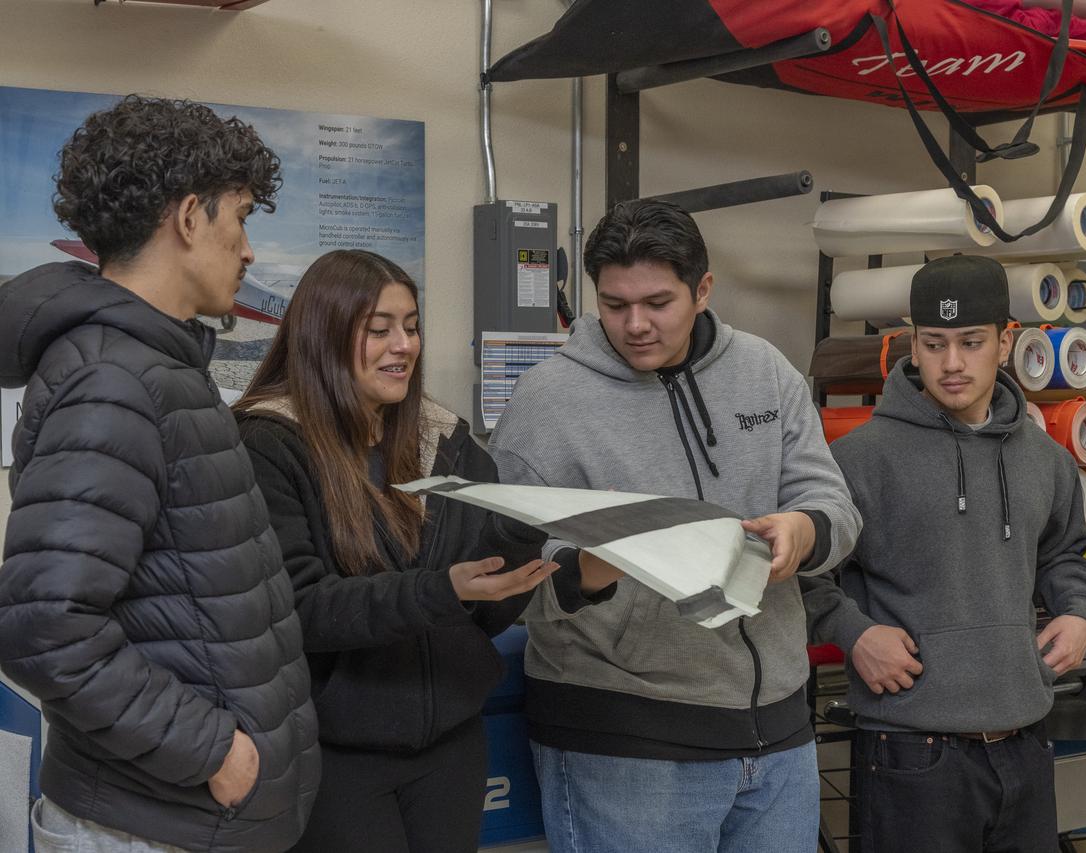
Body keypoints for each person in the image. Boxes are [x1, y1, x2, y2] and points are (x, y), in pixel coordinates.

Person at [487, 199, 860, 853]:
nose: (634, 324)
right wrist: (593, 565)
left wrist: (804, 530)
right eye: (614, 304)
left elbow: (833, 502)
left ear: (703, 290)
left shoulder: (766, 372)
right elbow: (506, 570)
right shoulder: (546, 401)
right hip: (625, 744)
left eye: (657, 303)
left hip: (777, 736)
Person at [0, 95, 319, 852]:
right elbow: (45, 625)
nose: (247, 251)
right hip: (149, 825)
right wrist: (209, 747)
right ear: (187, 218)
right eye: (239, 219)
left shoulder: (154, 366)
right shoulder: (115, 379)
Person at [233, 249, 557, 852]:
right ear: (323, 336)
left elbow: (482, 616)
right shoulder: (268, 445)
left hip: (451, 749)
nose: (404, 345)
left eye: (411, 326)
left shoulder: (447, 440)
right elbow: (298, 610)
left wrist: (527, 539)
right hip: (335, 756)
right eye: (378, 329)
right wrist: (444, 589)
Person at [803, 255, 1086, 852]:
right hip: (912, 750)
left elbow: (1064, 553)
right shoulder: (860, 459)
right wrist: (856, 635)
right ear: (912, 346)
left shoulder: (1045, 460)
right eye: (934, 344)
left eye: (971, 342)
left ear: (1005, 341)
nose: (953, 363)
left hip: (1023, 741)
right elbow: (803, 576)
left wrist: (1077, 611)